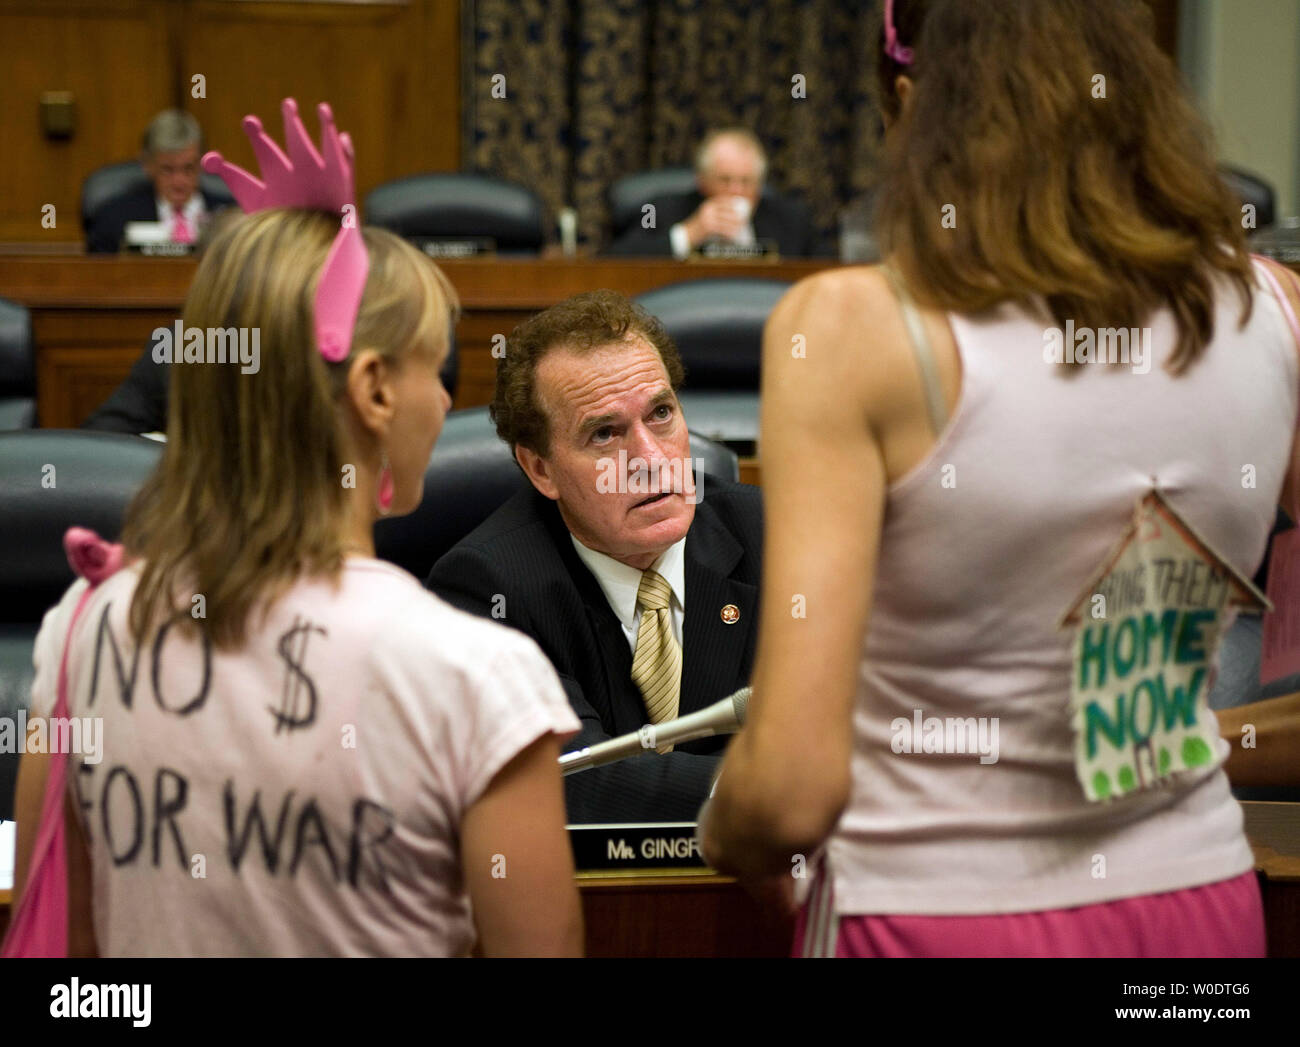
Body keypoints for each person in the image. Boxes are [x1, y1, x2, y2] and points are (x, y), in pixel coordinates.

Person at [700, 0, 1300, 958]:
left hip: (935, 918)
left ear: (910, 100)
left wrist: (727, 828)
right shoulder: (1275, 305)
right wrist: (1170, 738)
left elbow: (791, 790)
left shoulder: (851, 328)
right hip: (1200, 912)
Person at [13, 100, 583, 957]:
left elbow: (66, 961)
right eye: (437, 368)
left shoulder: (79, 630)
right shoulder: (479, 678)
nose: (441, 401)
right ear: (375, 391)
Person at [427, 290, 762, 824]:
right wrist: (761, 789)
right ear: (541, 470)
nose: (652, 461)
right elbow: (569, 776)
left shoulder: (775, 537)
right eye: (606, 434)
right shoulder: (489, 587)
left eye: (661, 414)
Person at [606, 128, 827, 258]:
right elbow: (614, 260)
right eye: (725, 180)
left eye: (746, 182)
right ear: (702, 181)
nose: (736, 191)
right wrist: (687, 235)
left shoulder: (791, 218)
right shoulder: (661, 209)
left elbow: (824, 269)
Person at [85, 110, 227, 254]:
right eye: (167, 170)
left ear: (202, 162)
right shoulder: (114, 219)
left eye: (189, 168)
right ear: (147, 165)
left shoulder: (230, 215)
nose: (179, 182)